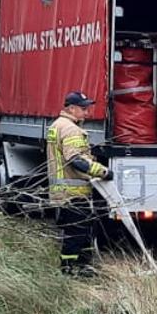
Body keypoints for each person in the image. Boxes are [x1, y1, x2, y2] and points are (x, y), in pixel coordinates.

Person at [46, 91, 111, 275]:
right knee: (77, 232)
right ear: (71, 108)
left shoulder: (57, 125)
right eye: (83, 109)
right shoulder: (71, 129)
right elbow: (76, 159)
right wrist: (102, 171)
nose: (87, 113)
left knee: (77, 230)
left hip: (63, 191)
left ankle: (81, 266)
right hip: (73, 192)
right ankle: (71, 269)